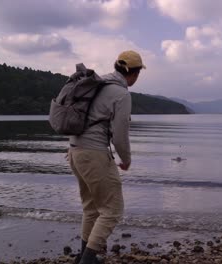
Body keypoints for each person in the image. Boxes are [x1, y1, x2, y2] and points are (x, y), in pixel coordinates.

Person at [68, 50, 145, 264]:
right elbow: (120, 135)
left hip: (75, 151)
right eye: (138, 73)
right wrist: (126, 159)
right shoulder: (121, 94)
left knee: (91, 207)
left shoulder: (98, 84)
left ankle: (84, 256)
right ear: (134, 73)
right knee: (113, 210)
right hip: (93, 154)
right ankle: (88, 260)